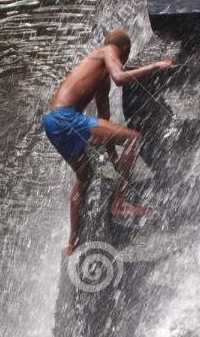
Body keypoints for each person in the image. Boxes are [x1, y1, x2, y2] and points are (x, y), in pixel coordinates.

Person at [43, 29, 175, 254]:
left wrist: (115, 161)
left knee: (84, 177)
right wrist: (156, 65)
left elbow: (104, 120)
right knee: (135, 138)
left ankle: (72, 241)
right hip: (66, 117)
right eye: (125, 57)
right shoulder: (108, 51)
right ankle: (119, 202)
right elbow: (121, 78)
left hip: (51, 122)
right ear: (124, 50)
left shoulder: (100, 78)